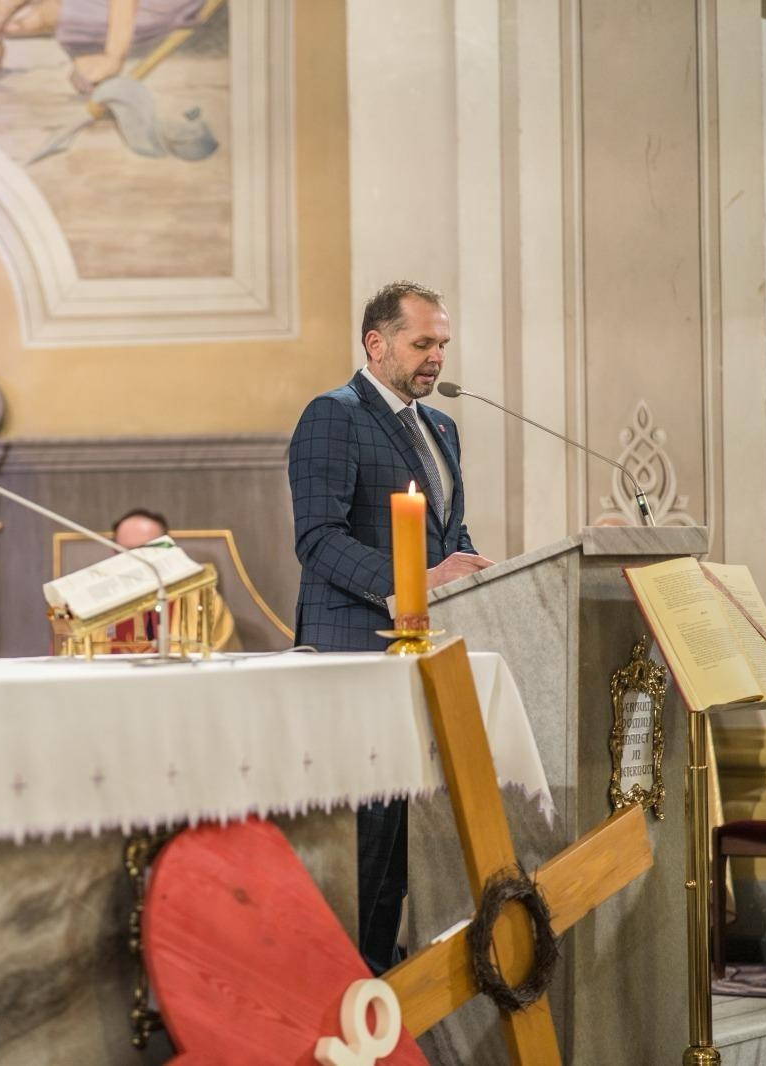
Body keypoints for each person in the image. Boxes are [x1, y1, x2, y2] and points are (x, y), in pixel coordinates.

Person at [287, 280, 493, 975]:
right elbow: (317, 537)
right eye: (422, 342)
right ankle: (350, 986)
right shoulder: (333, 415)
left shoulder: (441, 429)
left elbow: (448, 535)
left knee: (410, 834)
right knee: (366, 840)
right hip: (355, 652)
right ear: (377, 345)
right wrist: (413, 583)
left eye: (442, 344)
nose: (436, 357)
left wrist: (473, 571)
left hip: (426, 654)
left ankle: (397, 986)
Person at [0, 0, 203, 93]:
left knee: (34, 20)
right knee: (17, 22)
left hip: (148, 9)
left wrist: (112, 56)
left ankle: (5, 30)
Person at [107, 507, 236, 652]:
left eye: (147, 550)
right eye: (127, 552)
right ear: (113, 553)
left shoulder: (201, 600)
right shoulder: (96, 604)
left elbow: (219, 661)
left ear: (168, 551)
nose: (137, 561)